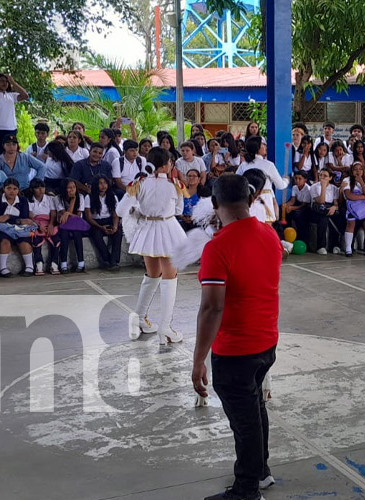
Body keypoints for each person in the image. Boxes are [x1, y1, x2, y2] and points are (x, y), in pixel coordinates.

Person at [192, 173, 280, 500]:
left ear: (215, 205)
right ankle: (261, 472)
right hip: (266, 339)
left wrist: (199, 359)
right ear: (250, 198)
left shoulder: (217, 248)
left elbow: (212, 309)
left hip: (235, 349)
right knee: (255, 407)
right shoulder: (269, 234)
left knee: (244, 422)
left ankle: (246, 489)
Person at [117, 147, 187, 344]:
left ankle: (140, 317)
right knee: (169, 276)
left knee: (152, 275)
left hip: (148, 229)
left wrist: (139, 210)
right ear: (166, 165)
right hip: (167, 228)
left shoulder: (139, 183)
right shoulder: (175, 185)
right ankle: (165, 327)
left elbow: (122, 210)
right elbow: (179, 210)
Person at [236, 136, 289, 224]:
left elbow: (236, 181)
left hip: (248, 201)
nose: (265, 146)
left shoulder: (244, 165)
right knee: (265, 232)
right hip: (265, 201)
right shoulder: (268, 165)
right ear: (257, 148)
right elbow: (280, 185)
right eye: (263, 144)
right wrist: (286, 180)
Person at [0, 177, 35, 277]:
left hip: (19, 227)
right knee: (5, 241)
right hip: (3, 228)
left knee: (24, 241)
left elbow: (24, 218)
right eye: (9, 188)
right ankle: (2, 268)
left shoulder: (23, 200)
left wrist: (8, 217)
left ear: (18, 190)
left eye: (15, 189)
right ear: (4, 189)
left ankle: (29, 266)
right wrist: (17, 219)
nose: (12, 191)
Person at [0, 73, 29, 155]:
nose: (5, 83)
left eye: (6, 81)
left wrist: (13, 82)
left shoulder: (11, 96)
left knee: (11, 154)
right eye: (1, 81)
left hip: (11, 129)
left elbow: (25, 95)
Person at [85, 175, 122, 270]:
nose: (103, 186)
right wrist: (101, 227)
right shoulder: (89, 197)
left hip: (109, 220)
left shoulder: (112, 196)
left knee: (118, 232)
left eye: (105, 183)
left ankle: (114, 260)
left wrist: (115, 226)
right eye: (100, 183)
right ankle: (107, 259)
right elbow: (89, 217)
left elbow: (115, 214)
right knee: (96, 234)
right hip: (95, 222)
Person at [341, 162, 365, 257]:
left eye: (360, 169)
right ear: (352, 171)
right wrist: (362, 197)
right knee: (350, 223)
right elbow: (349, 195)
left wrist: (361, 183)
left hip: (364, 206)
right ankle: (348, 248)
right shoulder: (346, 180)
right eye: (355, 169)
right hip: (351, 205)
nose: (358, 171)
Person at [28, 178, 61, 275]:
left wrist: (51, 225)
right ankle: (39, 264)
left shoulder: (50, 199)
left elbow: (53, 214)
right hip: (35, 224)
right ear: (32, 189)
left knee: (57, 239)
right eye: (37, 188)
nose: (40, 189)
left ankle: (54, 263)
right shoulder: (29, 200)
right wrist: (38, 226)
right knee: (33, 238)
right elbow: (30, 216)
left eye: (42, 187)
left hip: (49, 222)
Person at [56, 178, 89, 274]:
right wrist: (68, 211)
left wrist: (68, 212)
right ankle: (63, 264)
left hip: (77, 223)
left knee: (77, 234)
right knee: (64, 236)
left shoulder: (81, 197)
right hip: (64, 224)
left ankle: (81, 263)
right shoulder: (58, 198)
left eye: (74, 187)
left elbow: (78, 216)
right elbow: (64, 216)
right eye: (69, 188)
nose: (72, 190)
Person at [309, 168, 341, 255]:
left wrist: (334, 207)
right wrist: (323, 187)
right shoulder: (314, 187)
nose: (322, 177)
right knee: (323, 219)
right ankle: (321, 246)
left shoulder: (334, 188)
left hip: (330, 207)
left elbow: (336, 203)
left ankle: (335, 245)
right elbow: (321, 201)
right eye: (321, 175)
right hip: (318, 208)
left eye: (325, 176)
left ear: (330, 178)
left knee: (336, 217)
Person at [283, 171, 312, 244]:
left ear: (305, 180)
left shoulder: (308, 189)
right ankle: (287, 235)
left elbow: (304, 204)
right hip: (297, 204)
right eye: (296, 178)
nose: (297, 181)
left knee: (299, 216)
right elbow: (292, 200)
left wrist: (292, 208)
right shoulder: (294, 187)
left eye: (300, 179)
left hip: (306, 207)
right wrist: (287, 205)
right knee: (285, 211)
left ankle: (301, 239)